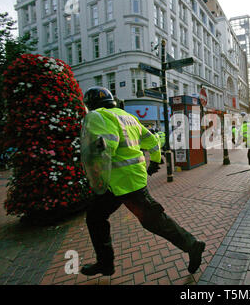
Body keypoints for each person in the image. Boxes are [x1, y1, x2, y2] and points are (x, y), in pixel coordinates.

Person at [80, 87, 205, 276]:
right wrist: (154, 161)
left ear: (90, 105)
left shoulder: (97, 116)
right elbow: (153, 142)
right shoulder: (128, 117)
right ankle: (105, 263)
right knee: (96, 217)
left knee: (154, 221)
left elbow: (105, 149)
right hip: (119, 183)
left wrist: (92, 163)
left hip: (125, 183)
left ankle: (192, 245)